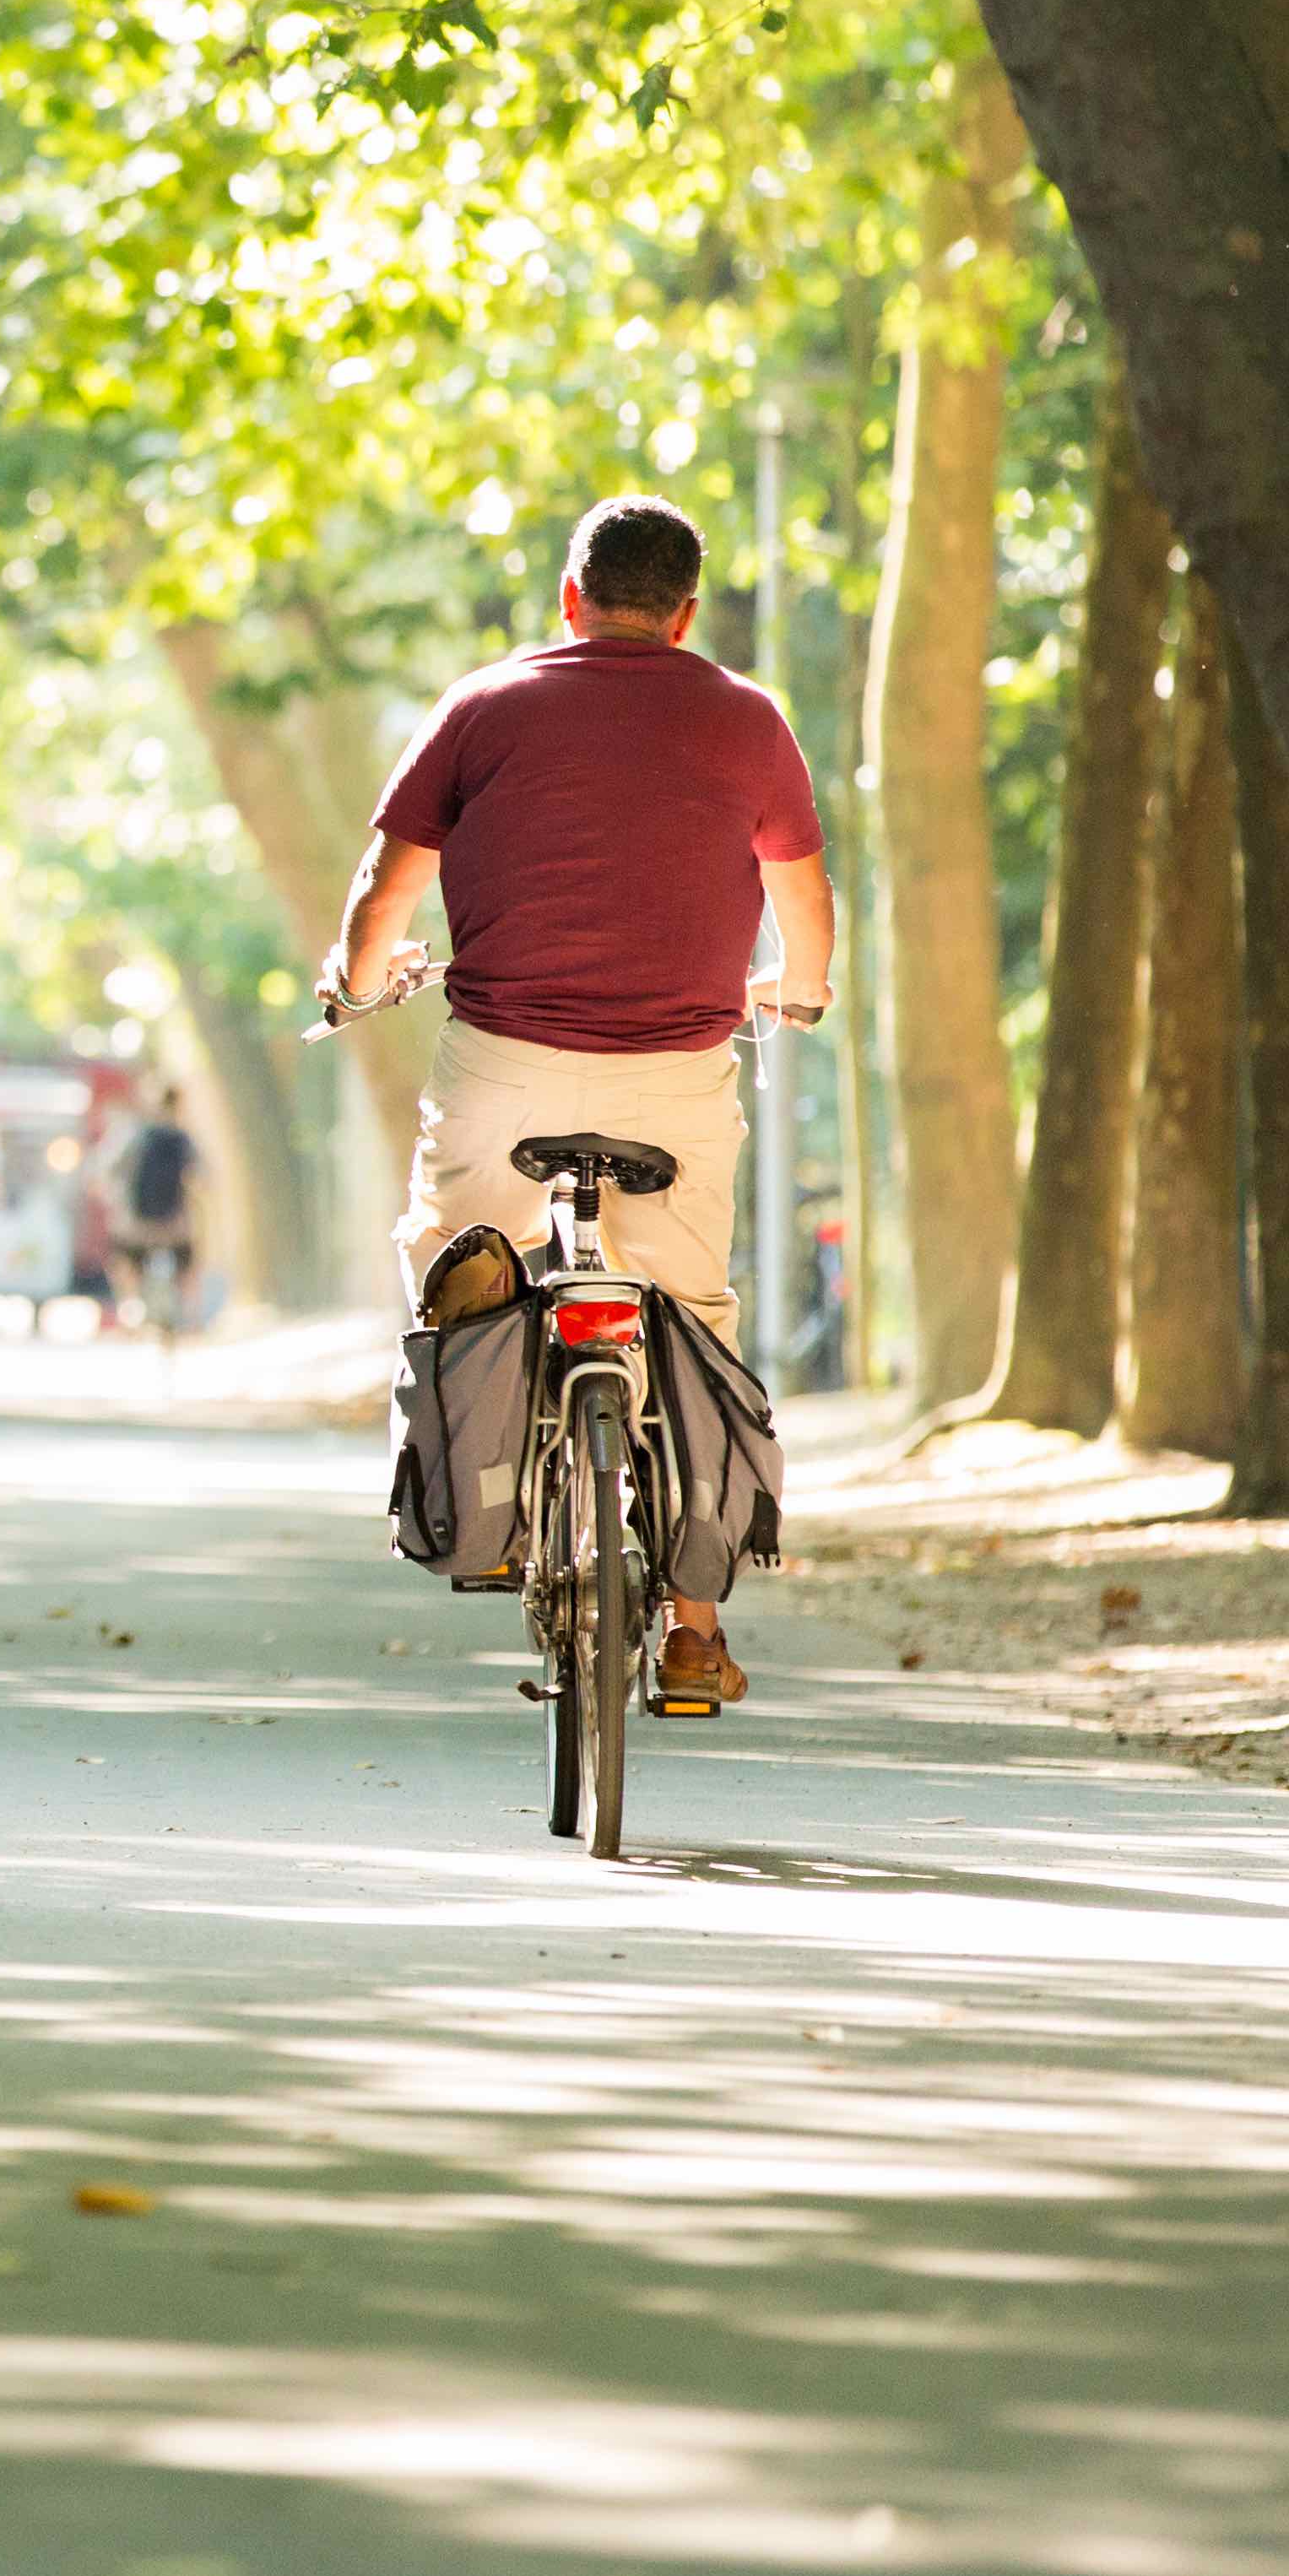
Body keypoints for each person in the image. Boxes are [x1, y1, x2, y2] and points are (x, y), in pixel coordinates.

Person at [320, 494, 833, 1712]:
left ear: (570, 598)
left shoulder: (485, 705)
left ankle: (487, 1505)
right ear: (685, 614)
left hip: (506, 1066)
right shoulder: (750, 720)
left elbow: (386, 890)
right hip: (677, 1078)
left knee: (456, 1259)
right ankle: (695, 1631)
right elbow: (804, 906)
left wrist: (354, 982)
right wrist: (801, 993)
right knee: (693, 1317)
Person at [110, 1077, 203, 1339]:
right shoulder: (183, 1138)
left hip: (136, 1224)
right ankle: (192, 1319)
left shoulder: (134, 1135)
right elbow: (201, 1174)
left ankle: (128, 1315)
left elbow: (111, 1169)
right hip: (176, 1223)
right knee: (187, 1267)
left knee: (125, 1264)